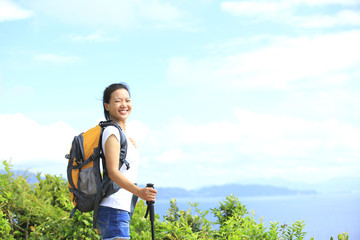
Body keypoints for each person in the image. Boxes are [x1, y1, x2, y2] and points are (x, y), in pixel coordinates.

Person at [97, 83, 157, 240]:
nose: (124, 105)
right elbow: (113, 172)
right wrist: (139, 192)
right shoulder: (111, 132)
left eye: (127, 100)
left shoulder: (122, 136)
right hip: (114, 209)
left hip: (118, 210)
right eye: (118, 101)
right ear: (107, 106)